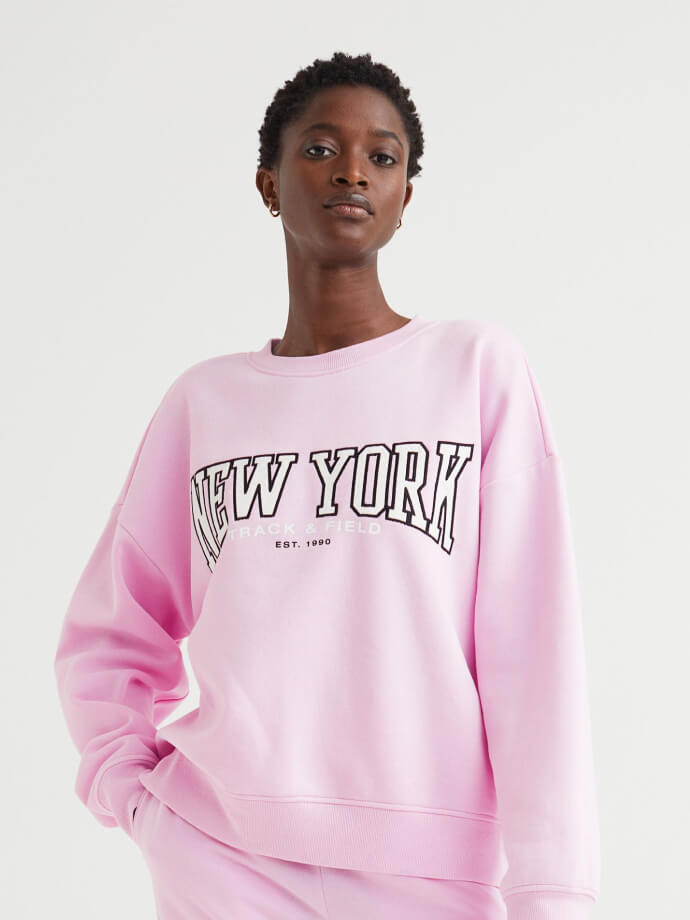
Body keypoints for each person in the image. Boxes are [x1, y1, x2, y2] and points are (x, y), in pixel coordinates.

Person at [54, 51, 601, 919]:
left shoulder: (475, 370)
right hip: (220, 859)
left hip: (429, 875)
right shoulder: (204, 403)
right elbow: (113, 631)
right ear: (268, 184)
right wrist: (132, 795)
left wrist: (552, 892)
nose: (352, 171)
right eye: (320, 149)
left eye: (382, 156)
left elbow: (532, 653)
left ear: (405, 197)